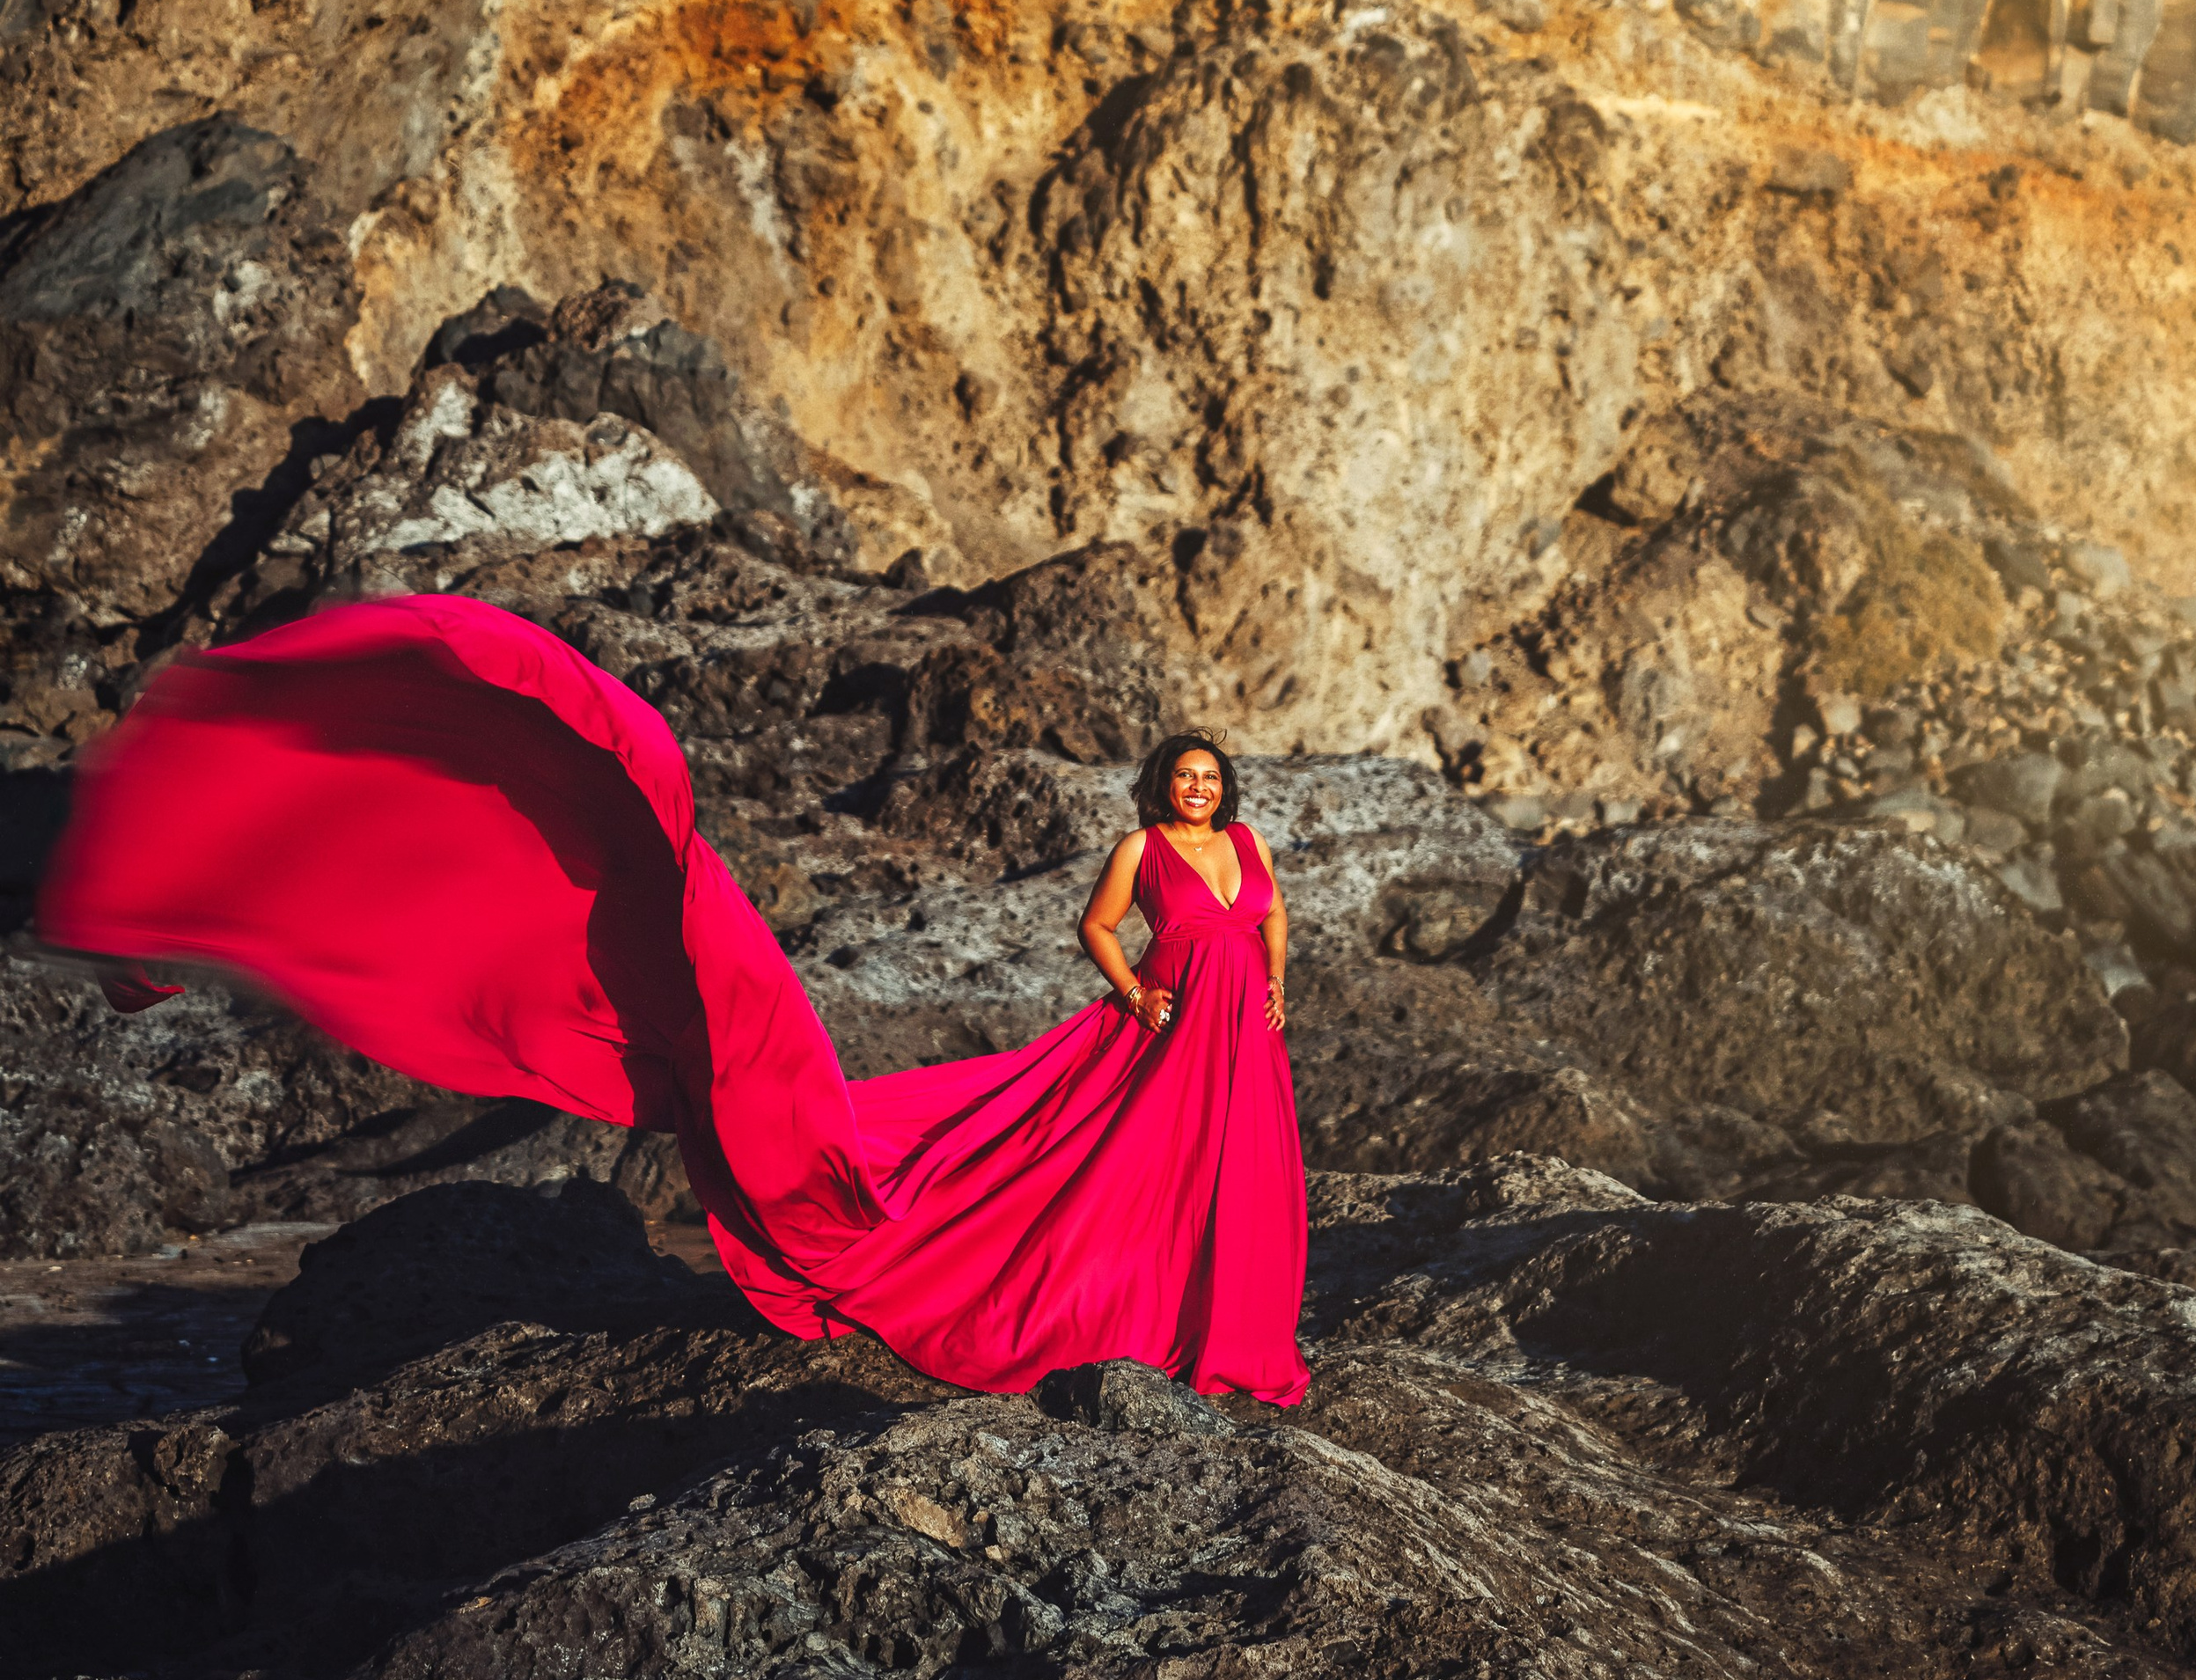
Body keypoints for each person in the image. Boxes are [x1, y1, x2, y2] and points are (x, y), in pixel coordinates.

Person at [35, 593, 1310, 1406]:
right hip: (1155, 1030)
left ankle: (1225, 1321)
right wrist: (1139, 988)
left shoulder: (1247, 856)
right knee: (1110, 1164)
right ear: (1162, 786)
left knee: (1226, 1174)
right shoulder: (1141, 852)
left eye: (1212, 778)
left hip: (1238, 1037)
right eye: (1183, 776)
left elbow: (1271, 924)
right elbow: (1094, 928)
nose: (1198, 790)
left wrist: (1272, 999)